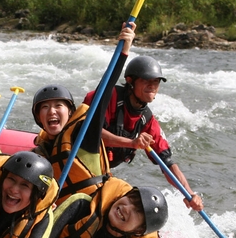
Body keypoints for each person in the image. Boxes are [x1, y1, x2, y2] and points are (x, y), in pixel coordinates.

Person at [32, 23, 136, 205]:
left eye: (58, 105)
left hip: (96, 210)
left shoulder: (84, 132)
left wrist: (123, 51)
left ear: (71, 113)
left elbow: (104, 92)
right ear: (39, 118)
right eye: (45, 108)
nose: (52, 111)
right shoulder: (40, 150)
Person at [83, 55, 204, 211]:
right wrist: (132, 143)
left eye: (156, 82)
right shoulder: (106, 97)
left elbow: (167, 163)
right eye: (146, 80)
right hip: (77, 165)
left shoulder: (147, 120)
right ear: (130, 81)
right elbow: (90, 133)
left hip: (99, 176)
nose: (152, 86)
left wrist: (189, 193)